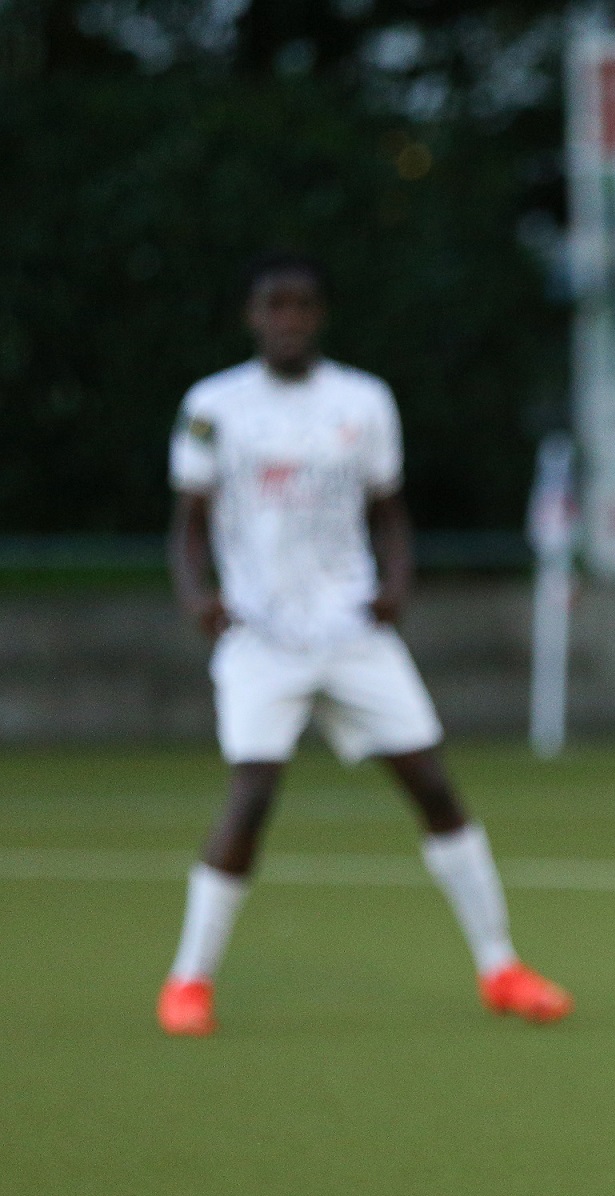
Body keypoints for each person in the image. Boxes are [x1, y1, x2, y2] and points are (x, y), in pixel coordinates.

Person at [155, 251, 572, 1038]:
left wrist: (397, 581)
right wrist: (196, 596)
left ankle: (501, 966)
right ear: (253, 316)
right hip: (261, 635)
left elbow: (388, 508)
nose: (289, 319)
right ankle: (188, 981)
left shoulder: (363, 400)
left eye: (302, 305)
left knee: (434, 787)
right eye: (274, 305)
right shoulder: (213, 406)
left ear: (321, 314)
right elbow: (189, 524)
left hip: (351, 629)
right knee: (252, 793)